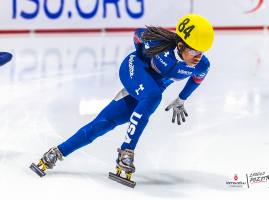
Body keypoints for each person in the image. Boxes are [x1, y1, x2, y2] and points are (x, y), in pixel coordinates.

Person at [30, 14, 214, 181]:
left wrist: (181, 99)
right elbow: (137, 35)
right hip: (135, 69)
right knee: (153, 95)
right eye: (195, 51)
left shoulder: (201, 65)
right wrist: (142, 60)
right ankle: (126, 152)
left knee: (104, 123)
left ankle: (55, 153)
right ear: (180, 45)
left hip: (149, 90)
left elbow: (197, 79)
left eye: (202, 52)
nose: (199, 57)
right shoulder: (158, 43)